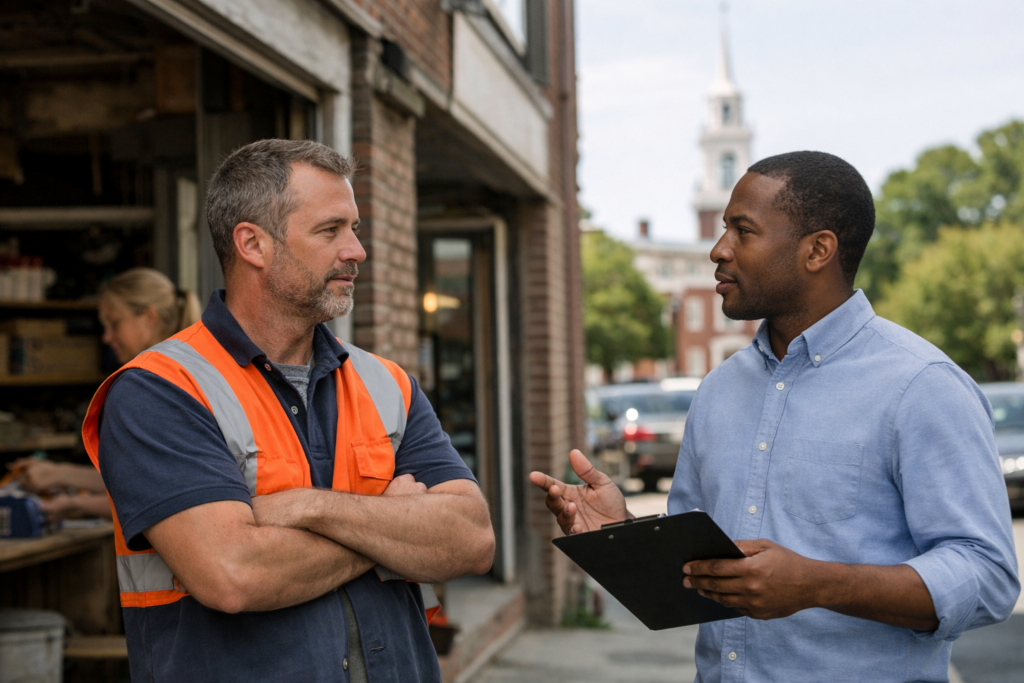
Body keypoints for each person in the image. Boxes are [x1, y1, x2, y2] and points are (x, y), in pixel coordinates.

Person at [532, 151, 1020, 682]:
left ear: (818, 250)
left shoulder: (921, 385)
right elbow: (701, 571)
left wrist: (817, 584)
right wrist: (621, 535)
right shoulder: (719, 390)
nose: (719, 251)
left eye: (744, 231)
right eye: (723, 230)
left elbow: (988, 577)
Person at [82, 139, 495, 683]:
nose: (356, 251)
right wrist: (394, 530)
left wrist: (307, 508)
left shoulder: (386, 383)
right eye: (330, 231)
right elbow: (234, 574)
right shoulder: (159, 391)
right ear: (252, 244)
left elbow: (472, 540)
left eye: (355, 228)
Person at [6, 269, 201, 521]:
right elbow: (136, 477)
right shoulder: (183, 373)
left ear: (149, 317)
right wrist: (56, 474)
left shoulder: (152, 388)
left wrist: (72, 501)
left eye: (114, 323)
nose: (106, 337)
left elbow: (151, 497)